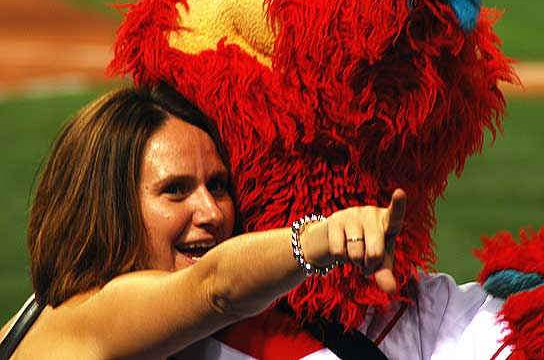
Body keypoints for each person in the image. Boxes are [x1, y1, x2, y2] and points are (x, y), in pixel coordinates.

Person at [0, 84, 406, 360]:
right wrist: (322, 238)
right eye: (175, 190)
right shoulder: (88, 316)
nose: (211, 212)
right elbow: (215, 288)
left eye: (217, 185)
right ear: (106, 207)